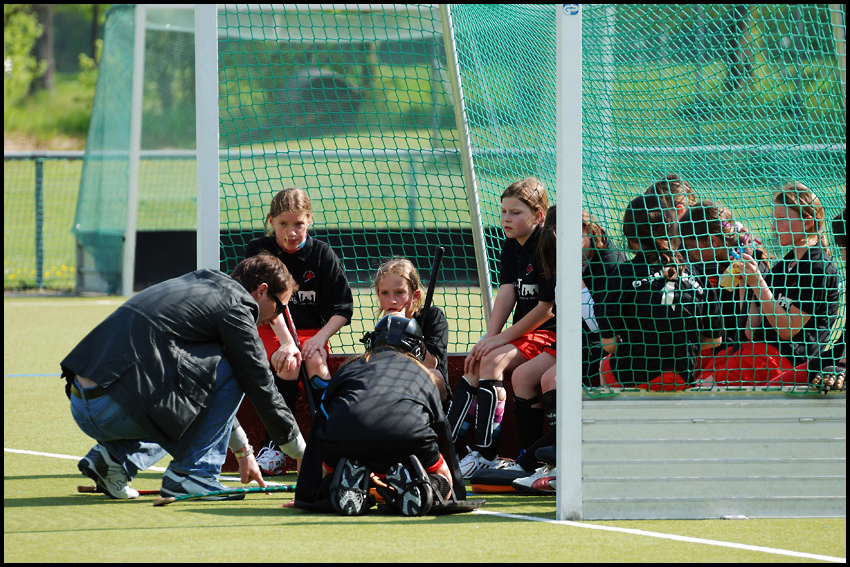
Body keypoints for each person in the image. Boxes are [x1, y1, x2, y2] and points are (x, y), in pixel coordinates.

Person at [62, 253, 307, 500]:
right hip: (115, 408)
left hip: (82, 402)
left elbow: (207, 394)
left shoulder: (201, 282)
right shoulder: (238, 306)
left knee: (208, 377)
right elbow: (258, 382)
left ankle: (115, 460)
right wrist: (302, 453)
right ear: (262, 291)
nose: (277, 316)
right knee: (238, 368)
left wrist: (243, 451)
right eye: (280, 306)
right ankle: (194, 475)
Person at [293, 315, 477, 516]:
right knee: (444, 482)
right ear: (418, 349)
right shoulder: (423, 374)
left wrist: (306, 494)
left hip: (347, 437)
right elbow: (440, 426)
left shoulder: (350, 367)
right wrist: (456, 491)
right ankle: (422, 486)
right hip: (408, 437)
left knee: (329, 467)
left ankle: (334, 486)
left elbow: (322, 416)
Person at [446, 177, 555, 477]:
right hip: (527, 332)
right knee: (479, 359)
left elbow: (547, 311)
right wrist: (489, 337)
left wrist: (500, 340)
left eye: (516, 212)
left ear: (538, 216)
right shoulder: (510, 245)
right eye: (504, 211)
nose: (507, 218)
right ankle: (448, 449)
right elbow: (507, 292)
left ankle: (486, 454)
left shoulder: (549, 245)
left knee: (493, 360)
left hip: (551, 331)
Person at [244, 187, 353, 474]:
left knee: (316, 360)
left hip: (312, 332)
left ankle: (329, 442)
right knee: (289, 362)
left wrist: (319, 339)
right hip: (270, 328)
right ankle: (276, 446)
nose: (291, 232)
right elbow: (264, 304)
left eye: (298, 224)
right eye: (283, 224)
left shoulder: (322, 254)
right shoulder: (258, 250)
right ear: (271, 222)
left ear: (309, 221)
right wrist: (286, 342)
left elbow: (342, 309)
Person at [702, 183, 841, 388]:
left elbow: (787, 330)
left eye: (782, 219)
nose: (774, 226)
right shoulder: (786, 264)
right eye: (774, 219)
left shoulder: (818, 268)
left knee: (706, 387)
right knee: (701, 374)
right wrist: (745, 283)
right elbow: (751, 331)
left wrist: (758, 282)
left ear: (808, 222)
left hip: (787, 361)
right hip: (759, 352)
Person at [597, 192, 723, 390]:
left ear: (630, 236)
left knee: (605, 364)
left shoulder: (621, 275)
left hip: (636, 379)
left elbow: (610, 345)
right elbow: (714, 340)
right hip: (683, 378)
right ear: (673, 230)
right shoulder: (697, 273)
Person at [679, 200, 771, 357]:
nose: (688, 253)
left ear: (713, 242)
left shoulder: (750, 266)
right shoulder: (713, 264)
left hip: (735, 355)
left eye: (690, 246)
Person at [371, 256, 450, 403]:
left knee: (433, 375)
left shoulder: (432, 317)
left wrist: (403, 328)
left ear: (415, 295)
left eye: (399, 293)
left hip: (430, 392)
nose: (392, 300)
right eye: (385, 293)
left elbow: (430, 365)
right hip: (392, 391)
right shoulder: (383, 324)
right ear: (378, 295)